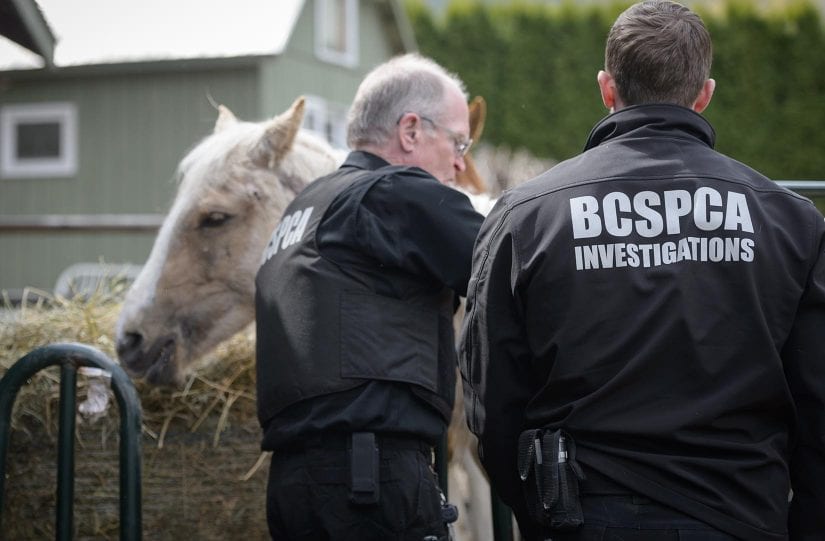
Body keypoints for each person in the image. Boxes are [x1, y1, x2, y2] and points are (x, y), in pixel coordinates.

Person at [459, 1, 825, 540]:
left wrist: (538, 510)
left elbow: (492, 407)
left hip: (581, 516)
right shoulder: (790, 222)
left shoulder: (524, 218)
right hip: (743, 514)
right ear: (704, 95)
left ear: (607, 90)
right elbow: (818, 406)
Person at [255, 53, 484, 541]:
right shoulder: (395, 193)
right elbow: (510, 268)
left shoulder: (306, 208)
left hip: (294, 488)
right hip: (369, 485)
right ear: (410, 131)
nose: (463, 163)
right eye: (458, 142)